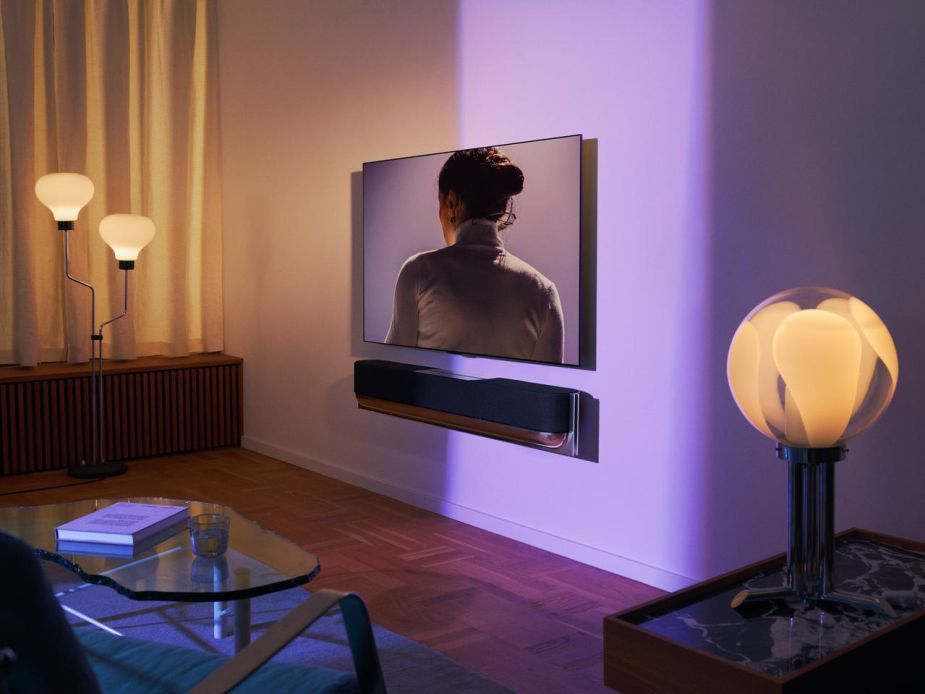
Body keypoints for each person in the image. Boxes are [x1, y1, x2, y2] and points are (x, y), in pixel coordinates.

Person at [385, 147, 565, 363]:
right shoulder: (544, 292)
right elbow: (549, 381)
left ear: (451, 202)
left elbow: (390, 370)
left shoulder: (419, 271)